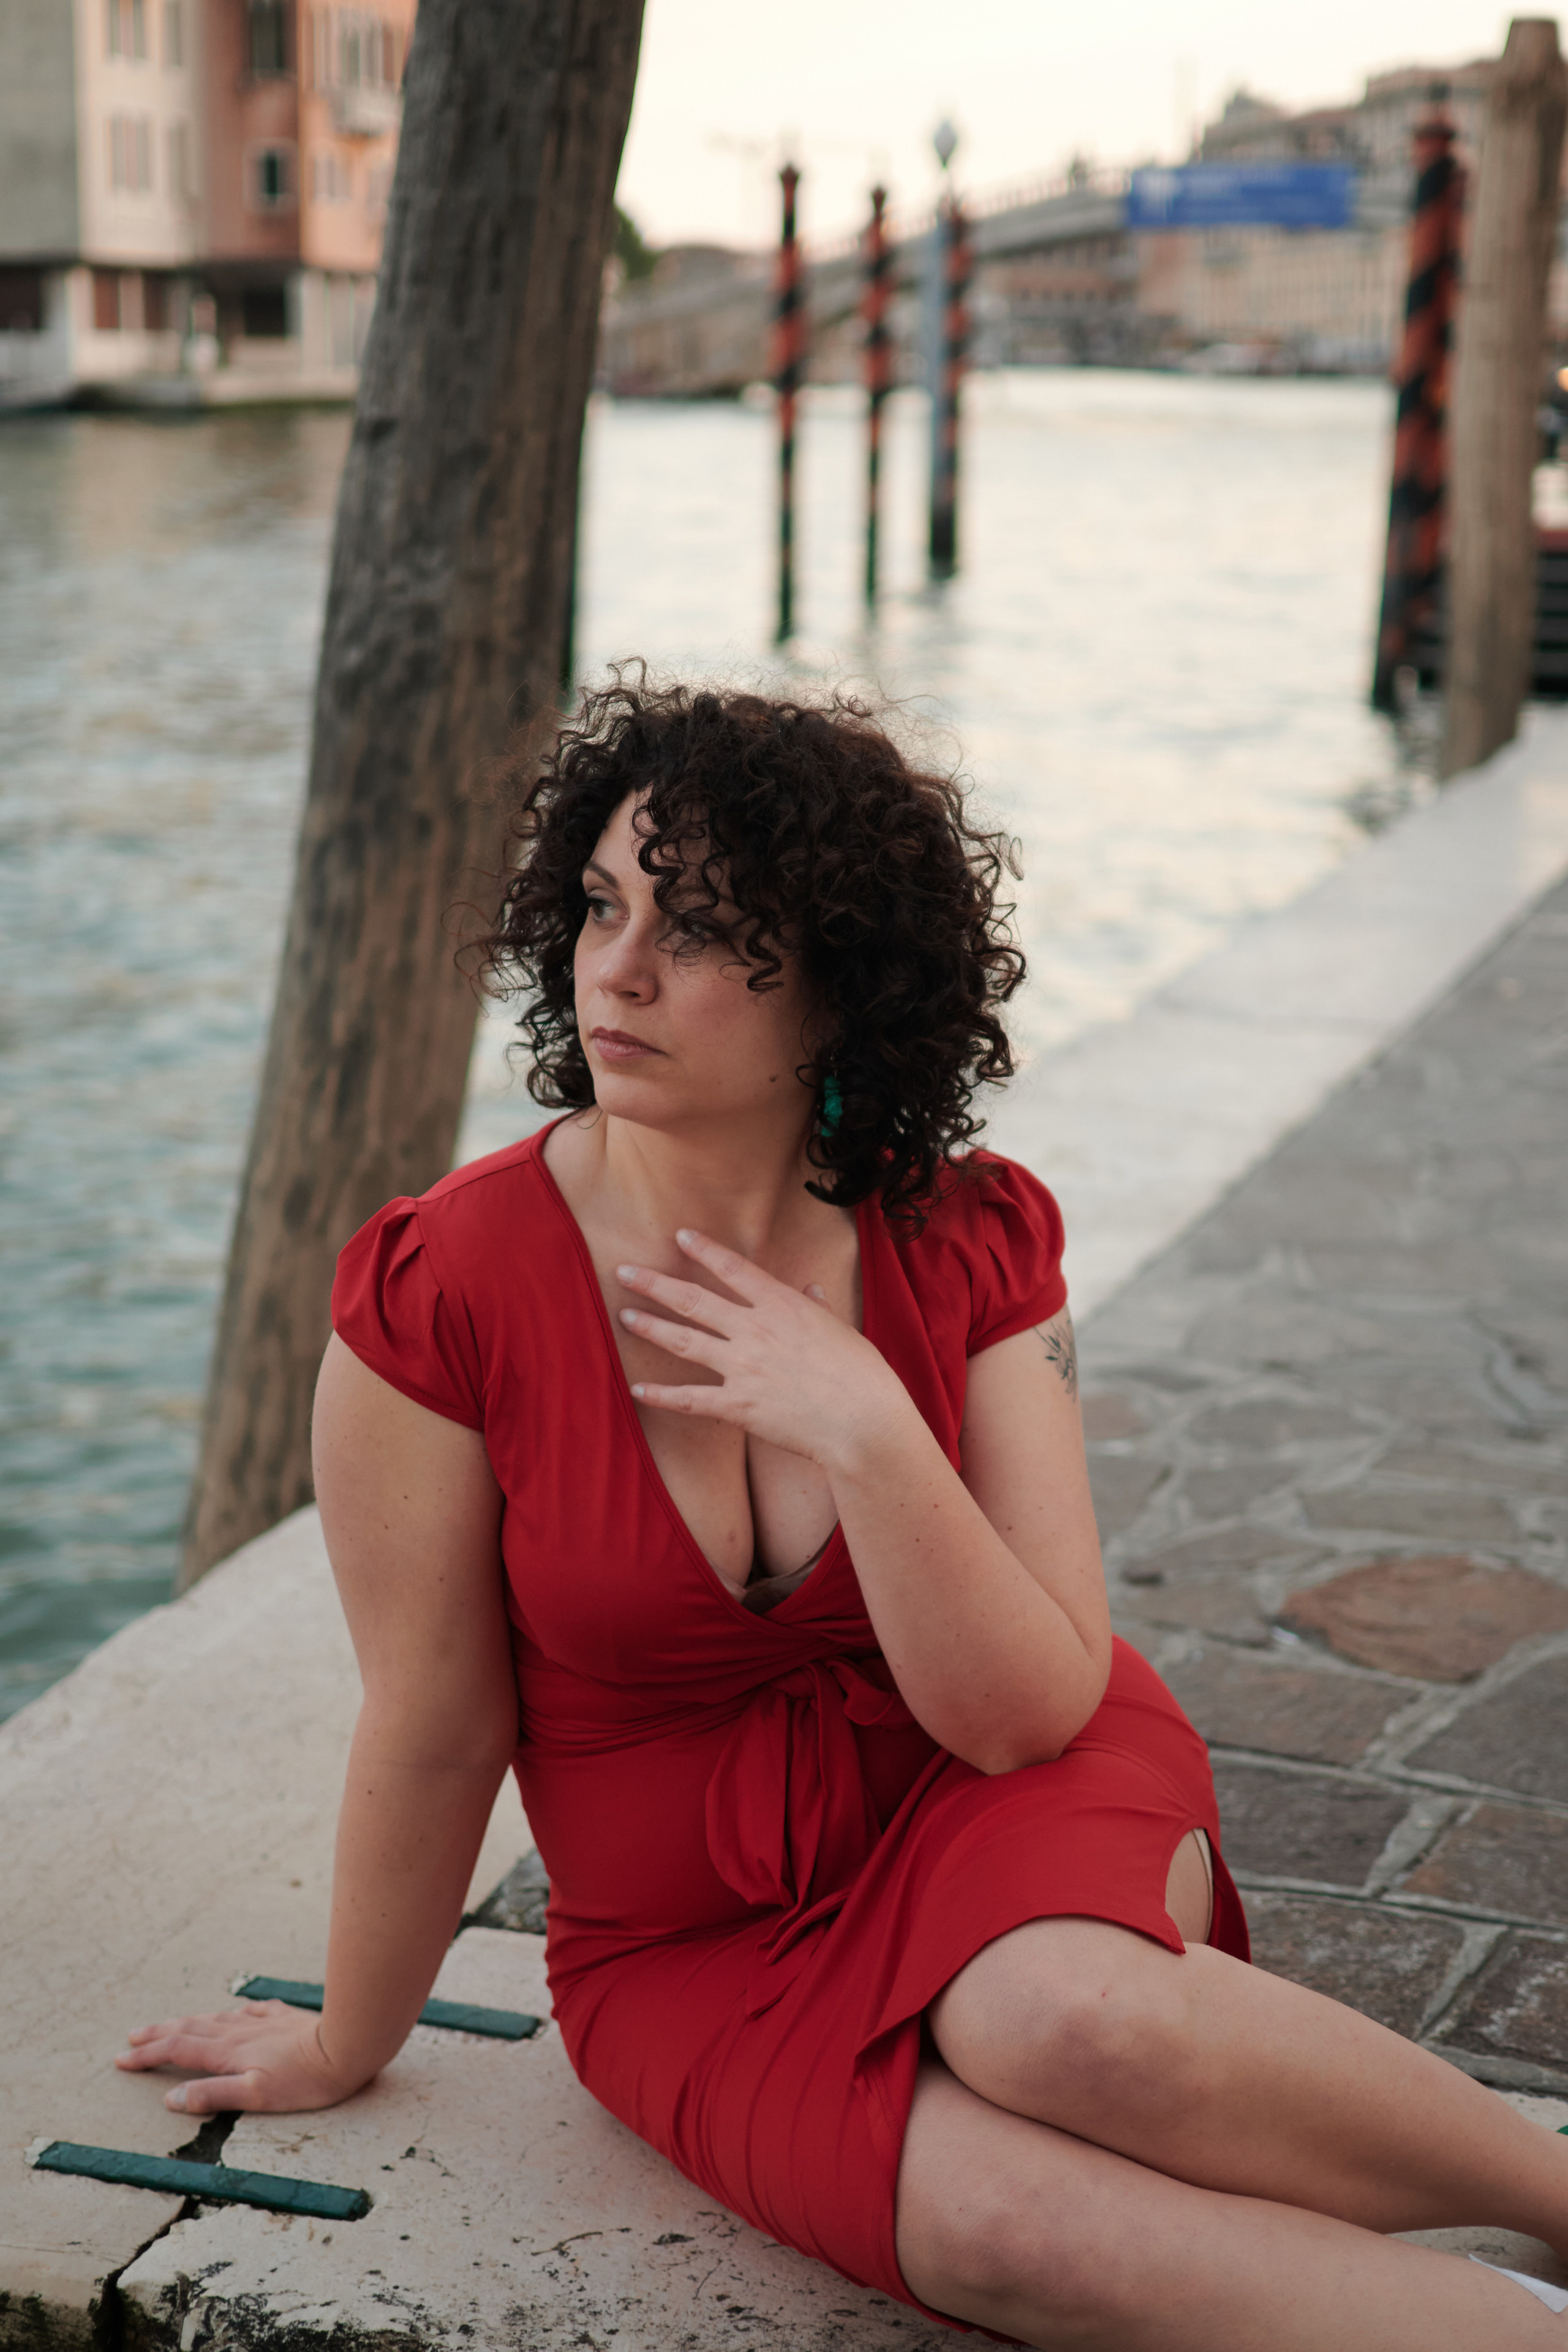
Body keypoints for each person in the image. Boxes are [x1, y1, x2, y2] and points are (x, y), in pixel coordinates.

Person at [119, 683, 1568, 2348]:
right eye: (601, 906)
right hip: (687, 1949)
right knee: (1014, 2228)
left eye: (706, 929)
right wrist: (347, 2037)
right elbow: (437, 1726)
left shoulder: (970, 1240)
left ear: (841, 987)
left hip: (995, 1783)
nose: (622, 968)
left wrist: (872, 1431)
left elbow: (1030, 1712)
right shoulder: (444, 1287)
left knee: (1066, 2025)